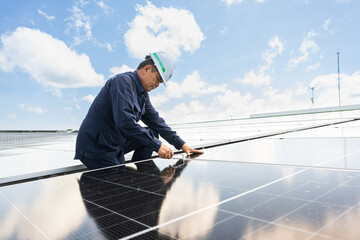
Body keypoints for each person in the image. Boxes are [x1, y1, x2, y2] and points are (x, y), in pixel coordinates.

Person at [74, 51, 203, 170]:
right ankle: (133, 182)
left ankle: (141, 177)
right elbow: (125, 123)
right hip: (96, 148)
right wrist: (157, 145)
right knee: (120, 188)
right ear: (147, 69)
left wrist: (181, 144)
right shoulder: (122, 83)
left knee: (152, 133)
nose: (157, 85)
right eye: (158, 79)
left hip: (113, 142)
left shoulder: (142, 95)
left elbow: (156, 122)